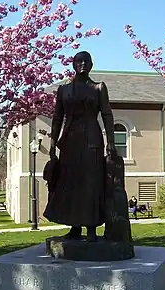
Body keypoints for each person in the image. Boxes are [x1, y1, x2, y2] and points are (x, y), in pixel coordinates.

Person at [43, 51, 116, 242]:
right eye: (79, 61)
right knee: (71, 182)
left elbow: (107, 115)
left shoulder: (98, 88)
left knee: (91, 182)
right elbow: (57, 118)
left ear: (91, 65)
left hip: (91, 137)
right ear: (73, 65)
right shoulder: (64, 90)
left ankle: (91, 227)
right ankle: (74, 226)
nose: (82, 64)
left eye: (86, 61)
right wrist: (52, 144)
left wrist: (111, 142)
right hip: (70, 140)